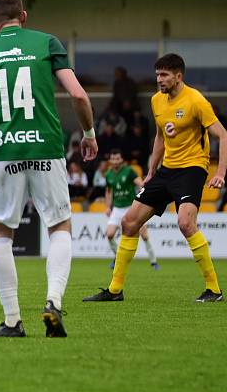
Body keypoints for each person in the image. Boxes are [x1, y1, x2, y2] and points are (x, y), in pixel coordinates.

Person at [0, 0, 98, 337]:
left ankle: (12, 321)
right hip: (47, 149)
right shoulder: (47, 43)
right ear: (24, 16)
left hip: (4, 153)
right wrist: (89, 133)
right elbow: (78, 94)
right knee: (60, 226)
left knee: (1, 234)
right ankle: (52, 301)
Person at [84, 53, 227, 303]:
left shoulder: (196, 101)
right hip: (166, 170)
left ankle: (214, 289)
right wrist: (151, 170)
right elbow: (160, 137)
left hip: (192, 169)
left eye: (164, 75)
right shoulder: (156, 101)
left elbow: (223, 135)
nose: (159, 79)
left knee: (185, 223)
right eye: (157, 74)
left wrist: (221, 173)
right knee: (129, 223)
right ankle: (115, 290)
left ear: (178, 76)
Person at [103, 150, 158, 270]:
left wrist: (147, 192)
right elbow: (108, 191)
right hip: (117, 209)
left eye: (117, 158)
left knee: (144, 235)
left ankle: (153, 261)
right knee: (110, 234)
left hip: (131, 208)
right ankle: (117, 257)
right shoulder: (108, 174)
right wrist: (108, 207)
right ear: (110, 160)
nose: (115, 161)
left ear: (121, 160)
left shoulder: (128, 171)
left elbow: (140, 184)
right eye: (113, 159)